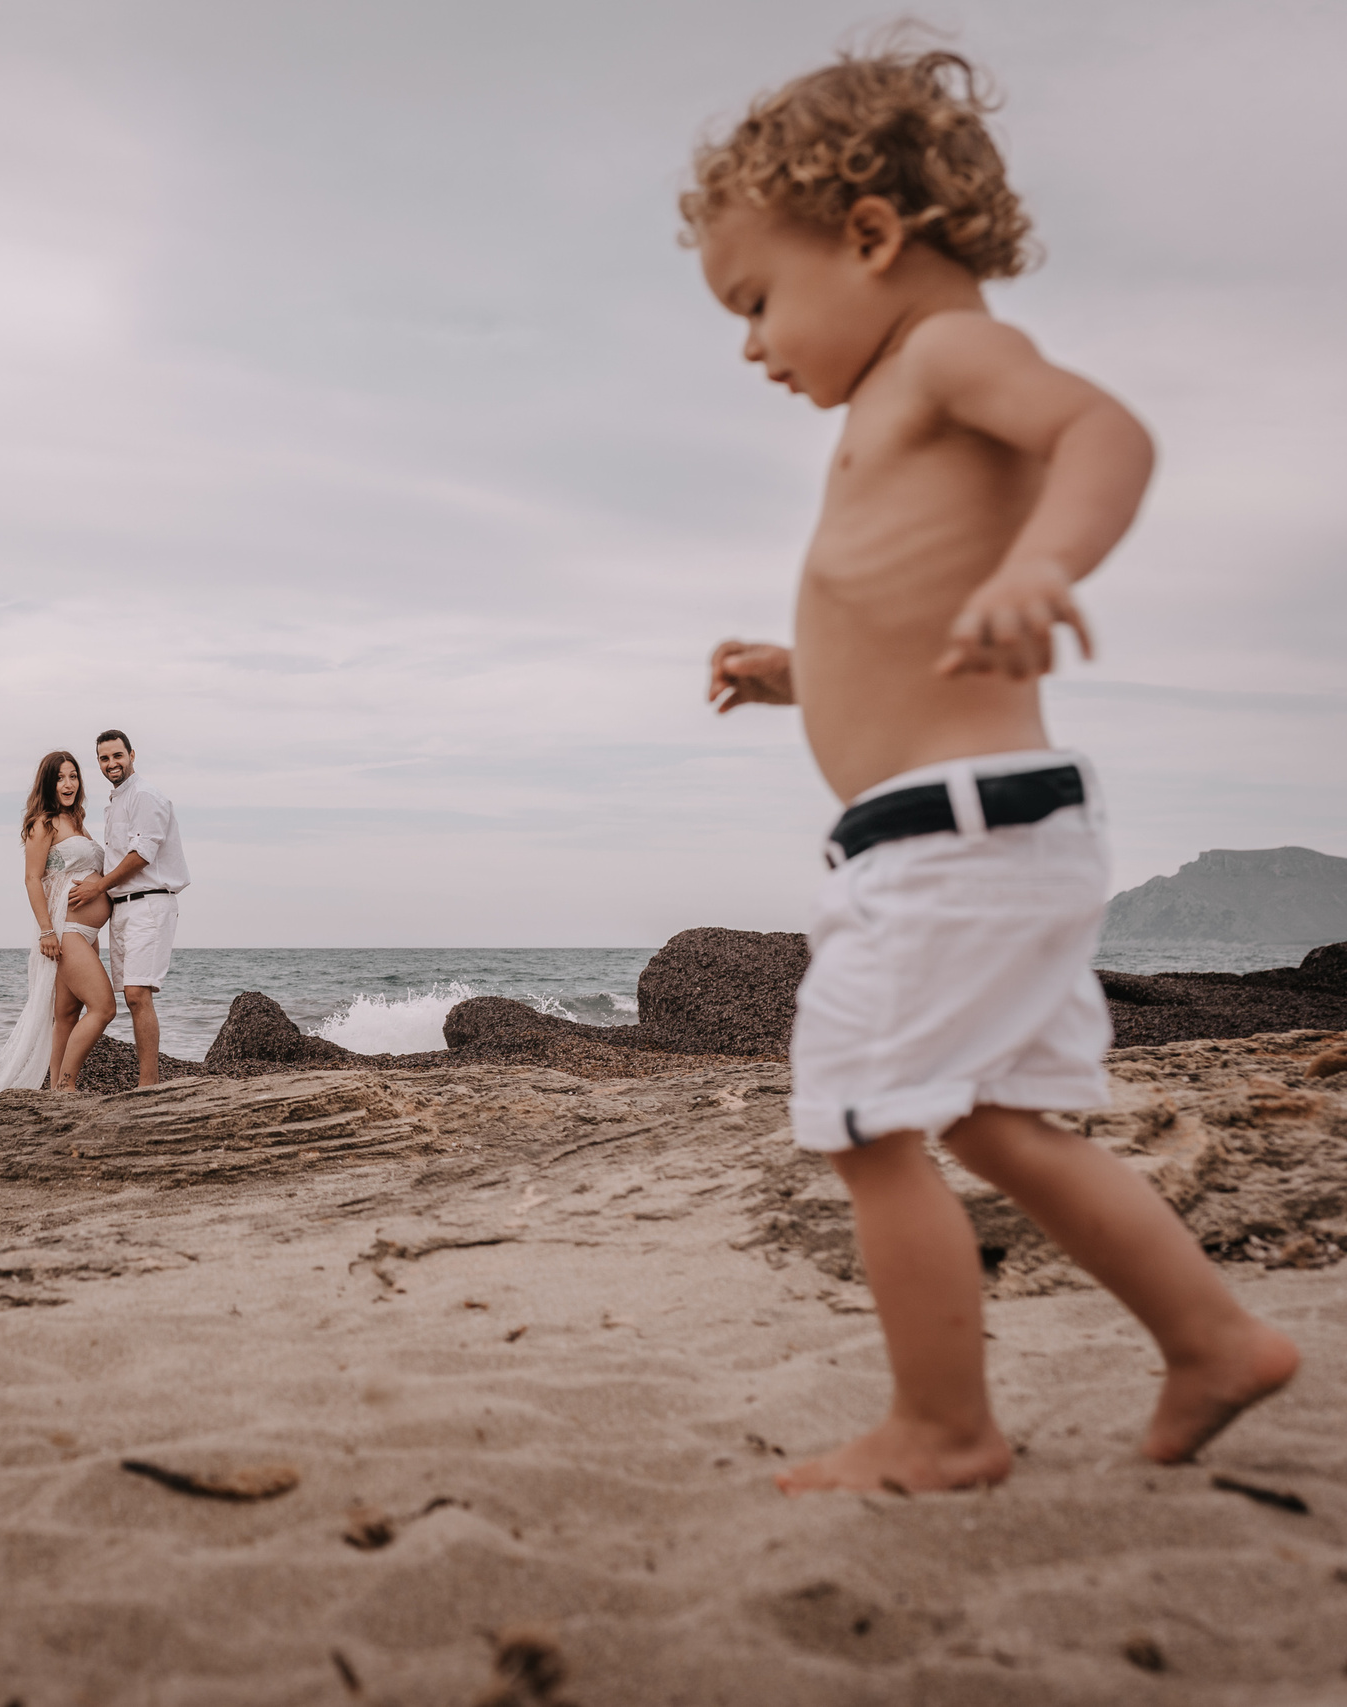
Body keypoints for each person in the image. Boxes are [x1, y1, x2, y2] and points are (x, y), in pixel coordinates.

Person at [684, 44, 1295, 1493]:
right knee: (987, 1118)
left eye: (758, 299)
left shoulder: (946, 357)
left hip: (946, 840)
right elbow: (895, 615)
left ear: (872, 236)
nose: (752, 345)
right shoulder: (892, 402)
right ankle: (1211, 1337)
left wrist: (1042, 564)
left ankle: (943, 1425)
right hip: (972, 829)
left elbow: (1107, 429)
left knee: (865, 1119)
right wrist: (800, 671)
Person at [0, 751, 116, 1094]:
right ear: (48, 783)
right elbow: (33, 879)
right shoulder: (43, 823)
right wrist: (47, 930)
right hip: (66, 931)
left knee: (66, 1015)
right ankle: (66, 1084)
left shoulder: (78, 822)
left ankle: (54, 1091)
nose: (68, 784)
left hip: (87, 933)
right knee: (104, 1007)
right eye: (60, 778)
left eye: (74, 776)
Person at [70, 730, 189, 1086]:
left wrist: (98, 887)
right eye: (104, 759)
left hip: (149, 904)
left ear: (132, 755)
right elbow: (117, 857)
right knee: (132, 996)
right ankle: (146, 1083)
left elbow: (141, 855)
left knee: (138, 994)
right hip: (123, 909)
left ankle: (147, 1085)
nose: (111, 764)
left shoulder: (145, 796)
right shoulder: (115, 803)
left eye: (117, 756)